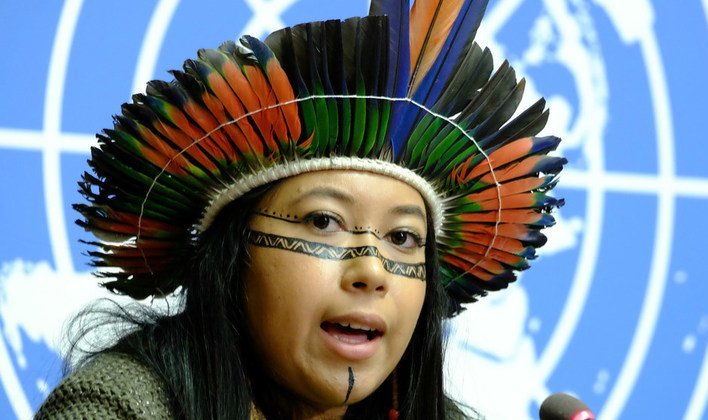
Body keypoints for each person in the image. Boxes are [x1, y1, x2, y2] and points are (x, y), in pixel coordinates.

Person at [35, 0, 565, 418]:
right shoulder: (121, 407)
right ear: (232, 256)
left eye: (403, 238)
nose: (372, 272)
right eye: (324, 221)